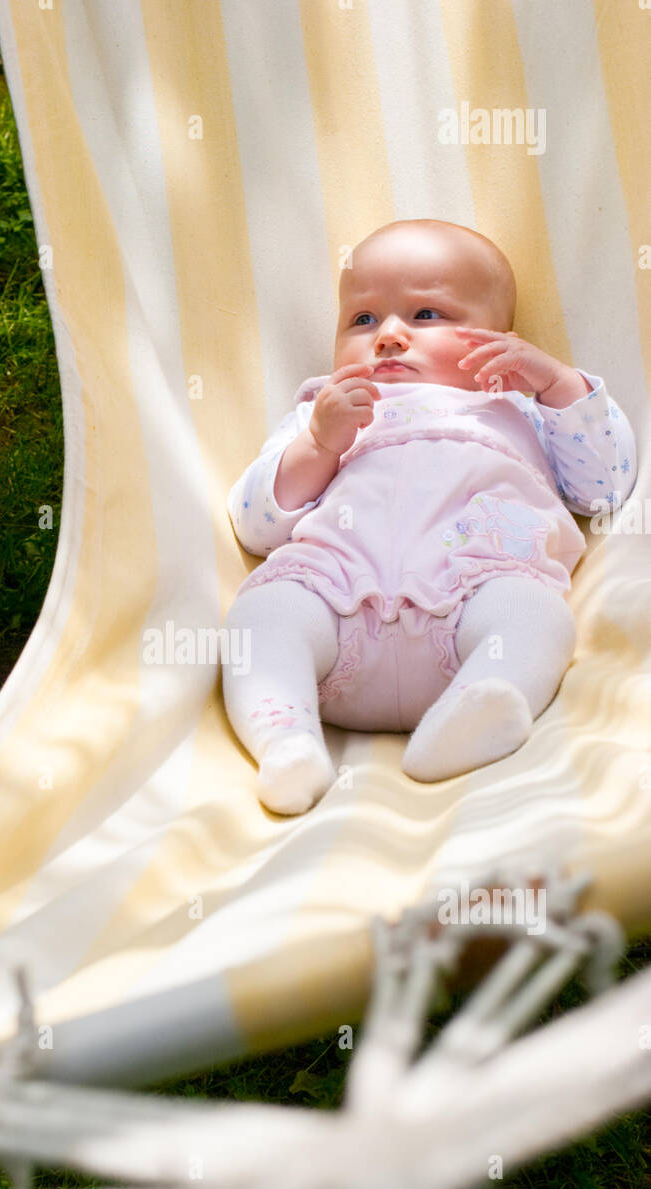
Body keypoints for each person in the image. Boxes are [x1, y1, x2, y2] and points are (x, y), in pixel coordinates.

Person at [223, 219, 636, 814]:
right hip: (335, 603)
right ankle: (286, 739)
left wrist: (556, 382)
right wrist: (319, 445)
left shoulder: (522, 407)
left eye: (426, 315)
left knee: (535, 614)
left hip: (475, 592)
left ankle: (472, 714)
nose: (388, 335)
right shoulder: (322, 411)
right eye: (362, 320)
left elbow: (603, 487)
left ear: (501, 341)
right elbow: (256, 525)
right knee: (263, 613)